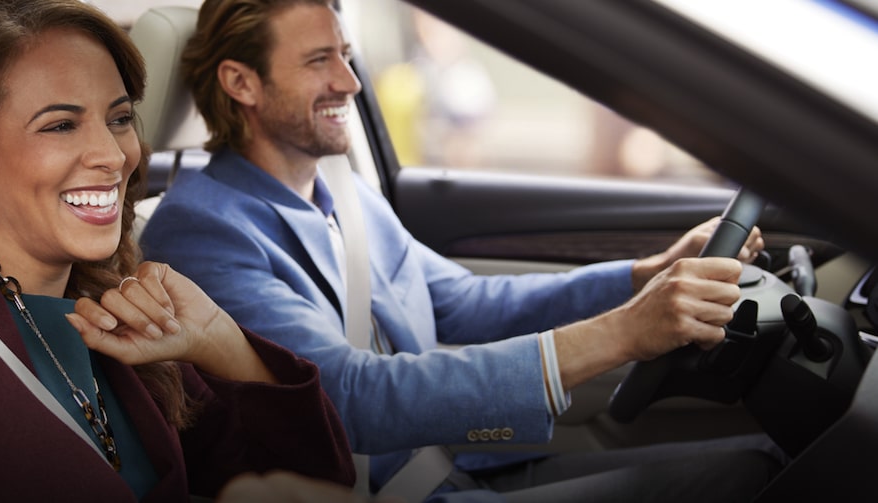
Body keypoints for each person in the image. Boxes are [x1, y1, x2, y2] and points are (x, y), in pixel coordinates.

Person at [139, 0, 784, 501]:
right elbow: (352, 400)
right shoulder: (202, 233)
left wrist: (643, 278)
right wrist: (624, 334)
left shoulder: (338, 189)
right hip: (391, 492)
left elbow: (459, 299)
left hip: (457, 466)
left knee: (767, 459)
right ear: (240, 83)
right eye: (318, 61)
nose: (350, 81)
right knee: (751, 476)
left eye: (346, 54)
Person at [0, 0, 361, 500]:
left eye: (119, 118)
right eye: (60, 125)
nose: (113, 155)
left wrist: (222, 343)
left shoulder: (106, 298)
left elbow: (312, 485)